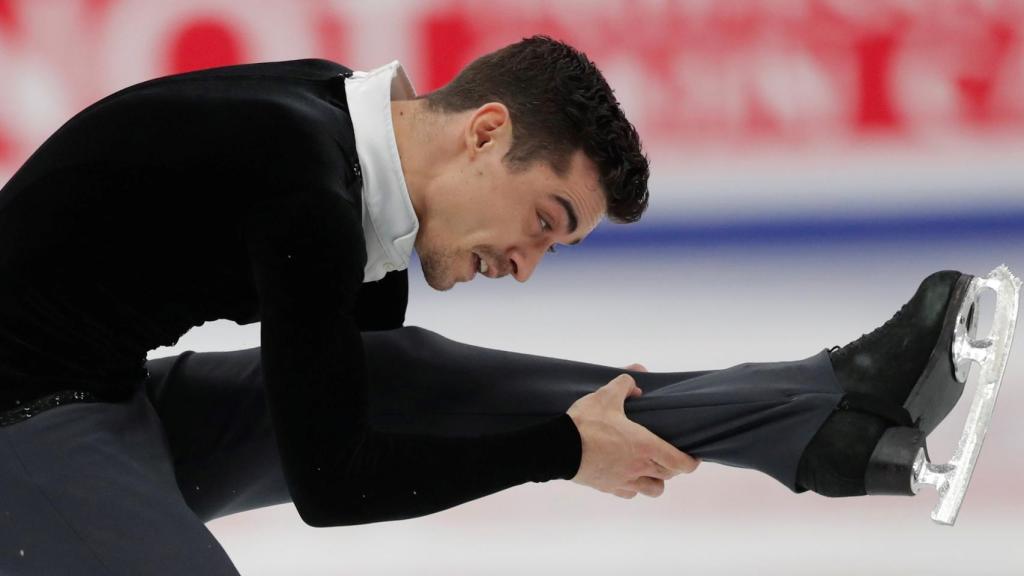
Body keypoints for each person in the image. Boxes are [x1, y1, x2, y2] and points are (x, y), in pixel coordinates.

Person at [0, 36, 982, 575]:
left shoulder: (337, 133)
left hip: (100, 399)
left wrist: (572, 422)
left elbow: (379, 394)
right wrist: (560, 450)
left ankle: (817, 414)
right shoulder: (298, 179)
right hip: (17, 430)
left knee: (418, 373)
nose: (526, 265)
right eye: (546, 220)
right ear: (483, 133)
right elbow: (337, 485)